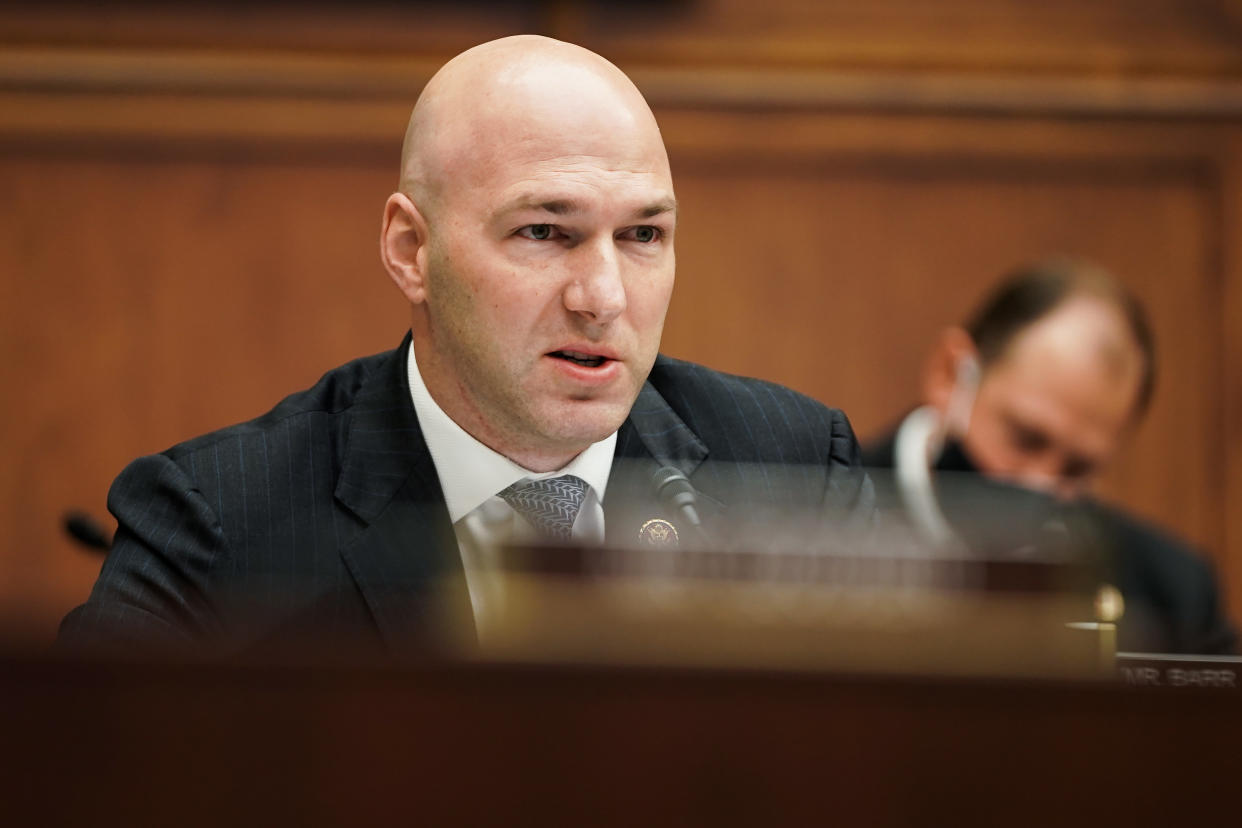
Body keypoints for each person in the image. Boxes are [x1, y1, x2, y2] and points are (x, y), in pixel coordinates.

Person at [60, 36, 871, 656]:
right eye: (545, 231)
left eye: (643, 234)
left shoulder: (794, 469)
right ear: (412, 250)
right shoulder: (222, 523)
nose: (603, 297)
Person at [863, 258, 1236, 654]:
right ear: (951, 374)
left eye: (1078, 468)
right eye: (1025, 438)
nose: (1039, 484)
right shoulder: (825, 502)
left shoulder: (1169, 596)